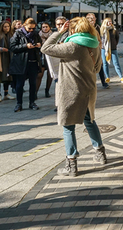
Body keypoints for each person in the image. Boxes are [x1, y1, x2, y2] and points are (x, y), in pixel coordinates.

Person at [41, 17, 106, 177]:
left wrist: (59, 32)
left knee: (68, 126)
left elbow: (45, 48)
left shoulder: (72, 46)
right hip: (89, 90)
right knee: (89, 121)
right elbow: (98, 68)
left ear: (74, 30)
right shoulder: (94, 45)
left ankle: (71, 163)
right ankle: (100, 152)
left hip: (71, 91)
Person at [9, 18, 42, 112]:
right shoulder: (18, 33)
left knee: (33, 83)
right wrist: (25, 46)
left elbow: (41, 44)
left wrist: (39, 45)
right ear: (24, 26)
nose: (31, 30)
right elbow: (12, 47)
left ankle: (32, 102)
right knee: (20, 84)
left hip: (33, 62)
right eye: (29, 28)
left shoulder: (35, 34)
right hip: (21, 62)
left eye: (33, 28)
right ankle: (19, 103)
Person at [100, 18, 123, 84]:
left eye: (110, 22)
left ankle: (121, 77)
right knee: (105, 63)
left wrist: (114, 44)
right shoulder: (103, 29)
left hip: (113, 49)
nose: (110, 23)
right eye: (108, 22)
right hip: (104, 49)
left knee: (116, 63)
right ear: (105, 22)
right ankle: (107, 77)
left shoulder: (114, 30)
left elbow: (117, 38)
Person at [38, 22, 54, 96]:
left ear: (49, 27)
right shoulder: (38, 35)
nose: (45, 28)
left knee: (50, 75)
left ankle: (47, 91)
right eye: (43, 27)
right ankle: (35, 92)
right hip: (41, 56)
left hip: (50, 55)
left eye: (46, 26)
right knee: (39, 75)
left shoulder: (53, 35)